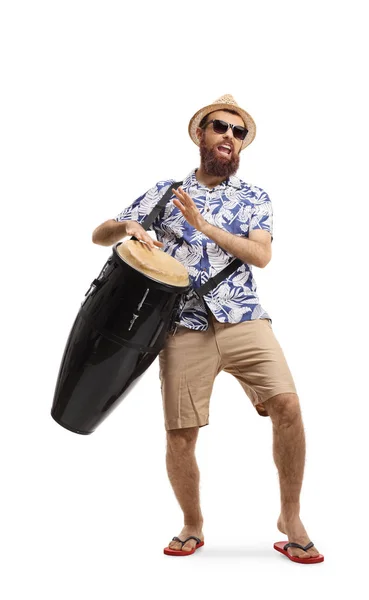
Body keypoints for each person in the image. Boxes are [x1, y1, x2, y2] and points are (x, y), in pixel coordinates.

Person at [92, 95, 324, 564]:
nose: (229, 138)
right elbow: (99, 235)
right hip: (181, 326)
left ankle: (291, 517)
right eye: (220, 127)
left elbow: (260, 255)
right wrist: (128, 226)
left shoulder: (254, 197)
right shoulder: (164, 191)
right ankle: (192, 523)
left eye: (238, 133)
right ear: (201, 134)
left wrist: (204, 227)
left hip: (243, 318)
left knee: (289, 406)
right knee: (181, 432)